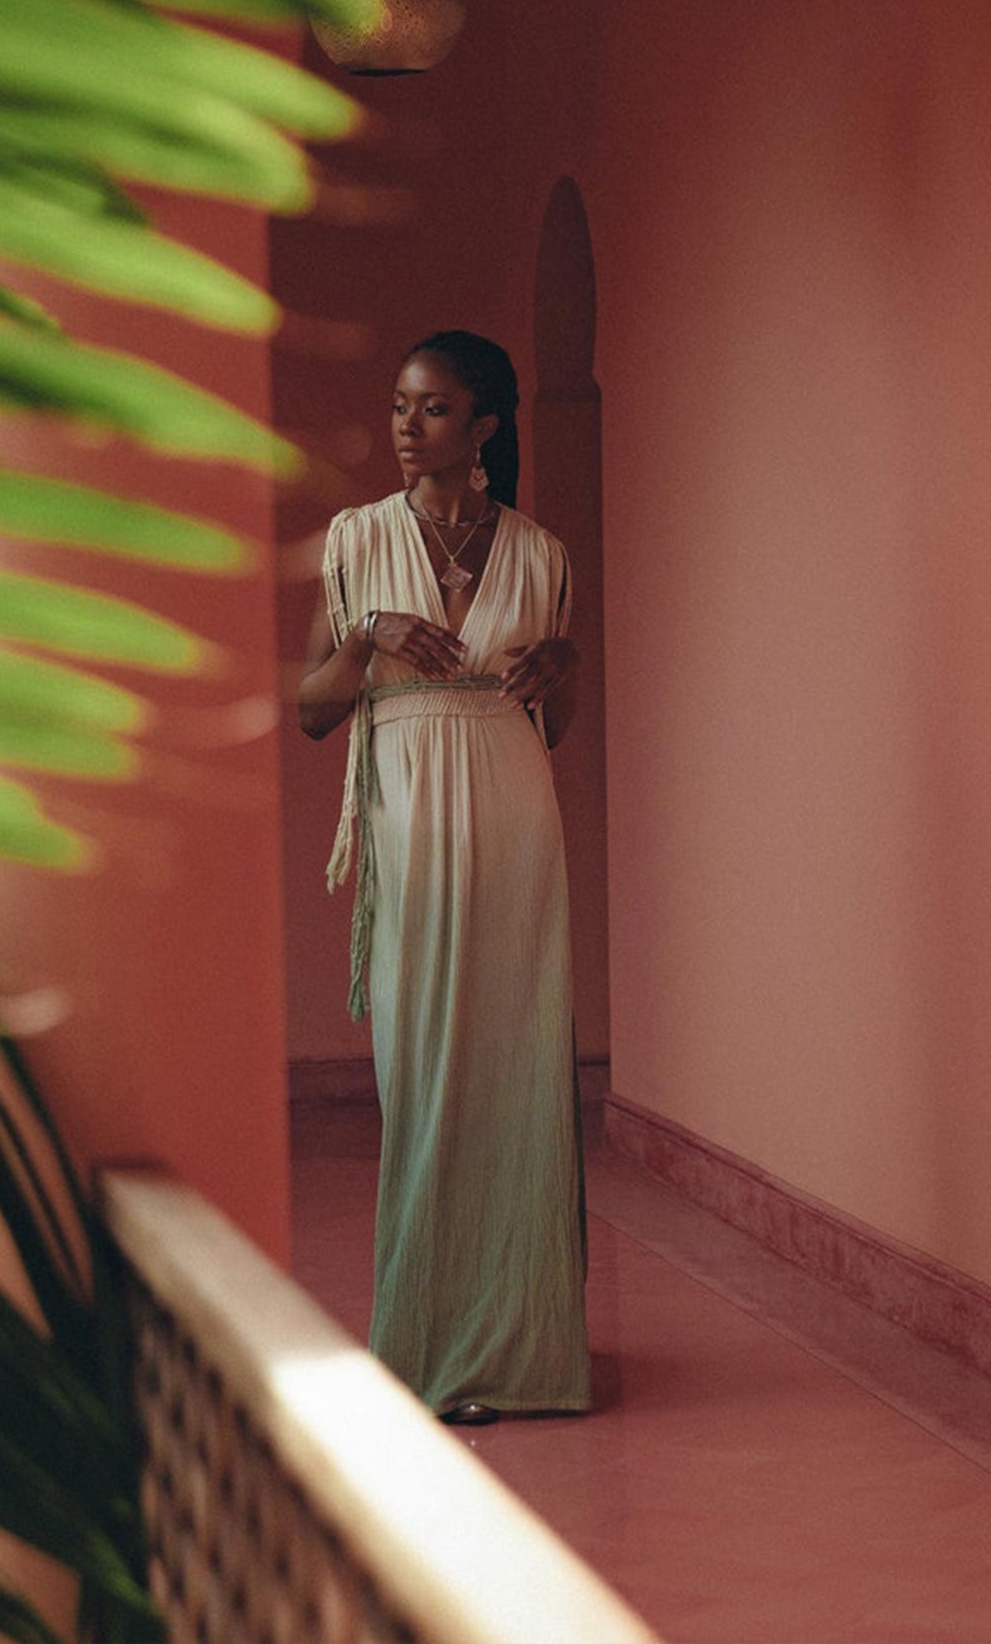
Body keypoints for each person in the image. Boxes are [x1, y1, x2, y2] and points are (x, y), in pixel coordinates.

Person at [298, 330, 590, 1425]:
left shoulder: (541, 552)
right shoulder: (354, 541)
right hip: (410, 831)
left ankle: (523, 1354)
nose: (405, 425)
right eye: (399, 406)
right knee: (423, 1084)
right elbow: (312, 710)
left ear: (484, 429)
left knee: (516, 1080)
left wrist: (565, 665)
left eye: (430, 409)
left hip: (518, 824)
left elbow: (553, 723)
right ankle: (422, 1351)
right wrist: (367, 635)